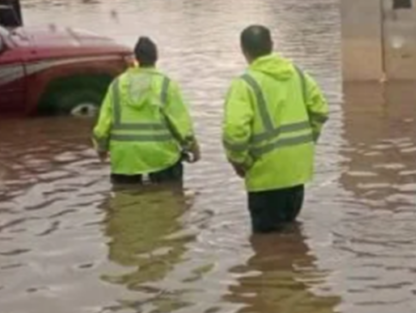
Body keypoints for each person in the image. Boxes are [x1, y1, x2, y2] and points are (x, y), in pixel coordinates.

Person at [222, 25, 329, 234]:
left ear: (243, 50)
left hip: (264, 176)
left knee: (266, 242)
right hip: (298, 170)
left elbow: (234, 132)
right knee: (291, 233)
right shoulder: (298, 75)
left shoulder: (244, 84)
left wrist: (240, 161)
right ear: (272, 45)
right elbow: (320, 111)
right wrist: (308, 140)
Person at [92, 37, 200, 184]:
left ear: (136, 58)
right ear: (156, 57)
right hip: (161, 157)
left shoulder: (116, 85)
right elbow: (181, 126)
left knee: (125, 203)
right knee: (170, 202)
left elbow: (102, 128)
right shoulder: (165, 85)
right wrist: (193, 148)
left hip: (125, 159)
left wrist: (101, 149)